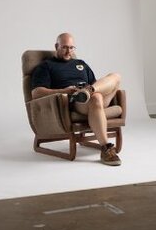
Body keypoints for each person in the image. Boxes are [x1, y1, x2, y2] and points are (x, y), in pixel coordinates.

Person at [30, 33, 123, 166]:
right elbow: (36, 93)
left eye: (72, 48)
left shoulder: (81, 64)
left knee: (116, 76)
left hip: (94, 96)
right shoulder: (46, 66)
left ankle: (88, 91)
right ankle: (106, 148)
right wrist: (65, 91)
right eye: (64, 47)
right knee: (96, 98)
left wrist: (91, 89)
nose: (69, 51)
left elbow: (97, 83)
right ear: (56, 46)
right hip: (74, 101)